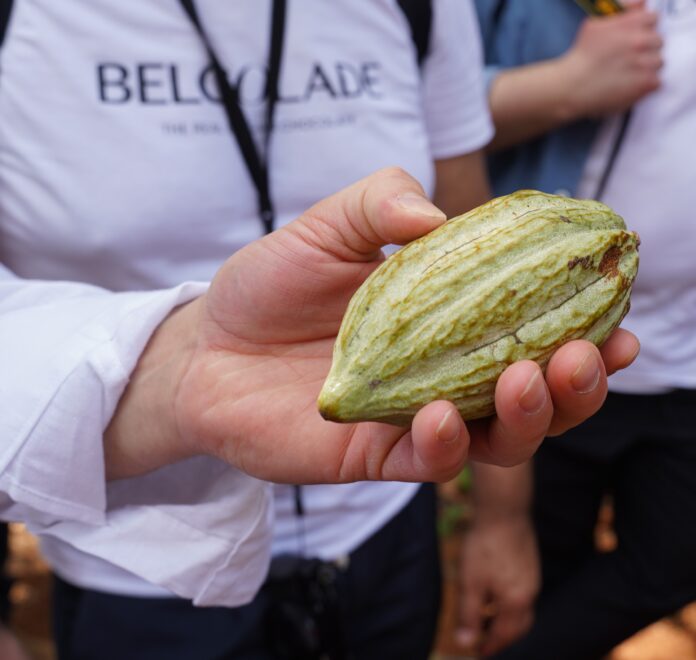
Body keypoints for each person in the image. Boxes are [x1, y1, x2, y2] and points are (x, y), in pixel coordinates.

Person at [0, 1, 638, 658]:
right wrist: (185, 370)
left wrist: (502, 519)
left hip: (384, 510)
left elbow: (480, 233)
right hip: (137, 564)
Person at [463, 1, 696, 658]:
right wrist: (567, 84)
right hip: (557, 352)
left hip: (687, 358)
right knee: (539, 564)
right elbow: (427, 107)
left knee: (670, 562)